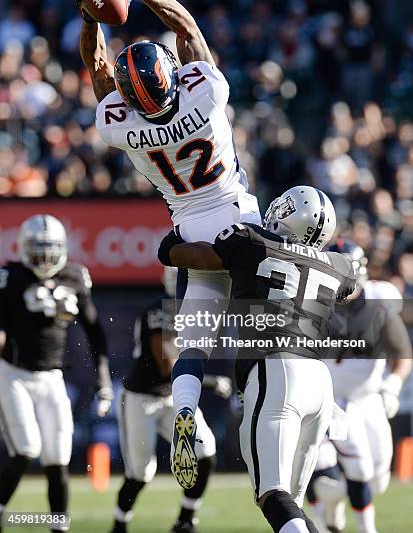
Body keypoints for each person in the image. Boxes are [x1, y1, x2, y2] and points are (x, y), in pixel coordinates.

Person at [75, 0, 261, 489]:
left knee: (193, 340)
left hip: (192, 233)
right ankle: (254, 401)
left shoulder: (123, 128)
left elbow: (96, 64)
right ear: (173, 75)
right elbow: (187, 27)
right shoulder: (205, 92)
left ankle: (186, 408)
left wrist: (92, 13)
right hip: (242, 223)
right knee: (267, 328)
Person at [158, 185, 356, 533]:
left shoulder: (251, 241)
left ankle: (185, 405)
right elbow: (349, 290)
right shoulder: (340, 266)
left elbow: (197, 258)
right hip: (320, 383)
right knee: (289, 504)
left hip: (277, 371)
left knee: (272, 494)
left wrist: (170, 245)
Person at [0, 214, 113, 533]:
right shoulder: (10, 276)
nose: (45, 257)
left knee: (58, 456)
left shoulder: (75, 276)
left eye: (51, 249)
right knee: (26, 449)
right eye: (38, 249)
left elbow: (94, 332)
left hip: (52, 378)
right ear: (23, 248)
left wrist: (103, 379)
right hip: (13, 374)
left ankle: (58, 527)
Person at [111, 267, 232, 533]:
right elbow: (168, 364)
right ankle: (119, 524)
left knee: (205, 451)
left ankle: (185, 520)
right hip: (142, 398)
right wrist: (210, 381)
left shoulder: (196, 312)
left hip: (173, 396)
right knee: (140, 473)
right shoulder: (161, 310)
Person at [306, 241, 412, 533]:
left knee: (378, 478)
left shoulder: (380, 300)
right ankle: (350, 521)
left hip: (368, 399)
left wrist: (391, 385)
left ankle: (336, 496)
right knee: (351, 467)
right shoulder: (312, 303)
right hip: (331, 398)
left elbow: (402, 353)